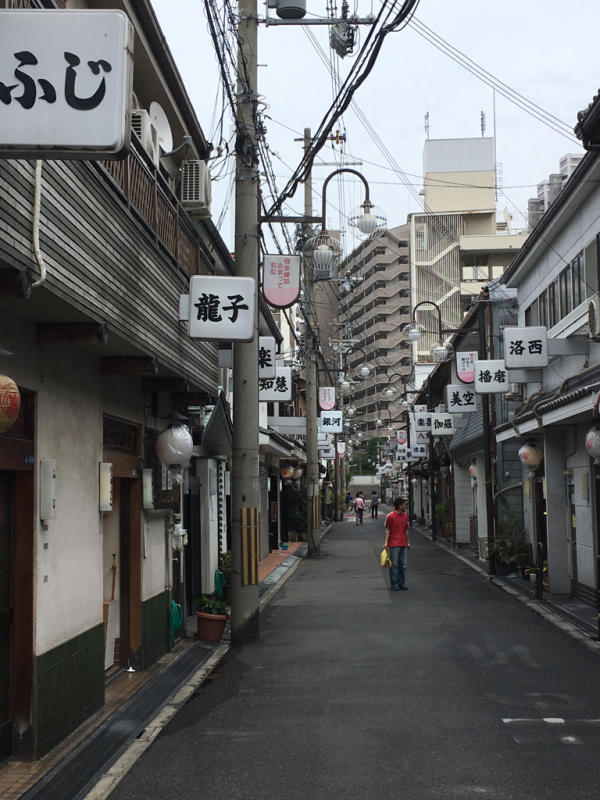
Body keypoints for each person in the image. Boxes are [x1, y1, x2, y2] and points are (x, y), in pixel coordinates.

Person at [383, 497, 410, 590]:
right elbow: (387, 530)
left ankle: (401, 583)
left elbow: (406, 530)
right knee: (394, 564)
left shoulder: (405, 516)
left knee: (403, 564)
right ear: (399, 505)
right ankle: (394, 583)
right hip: (393, 543)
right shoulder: (391, 516)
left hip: (402, 543)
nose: (405, 506)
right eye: (404, 504)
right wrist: (386, 543)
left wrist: (408, 542)